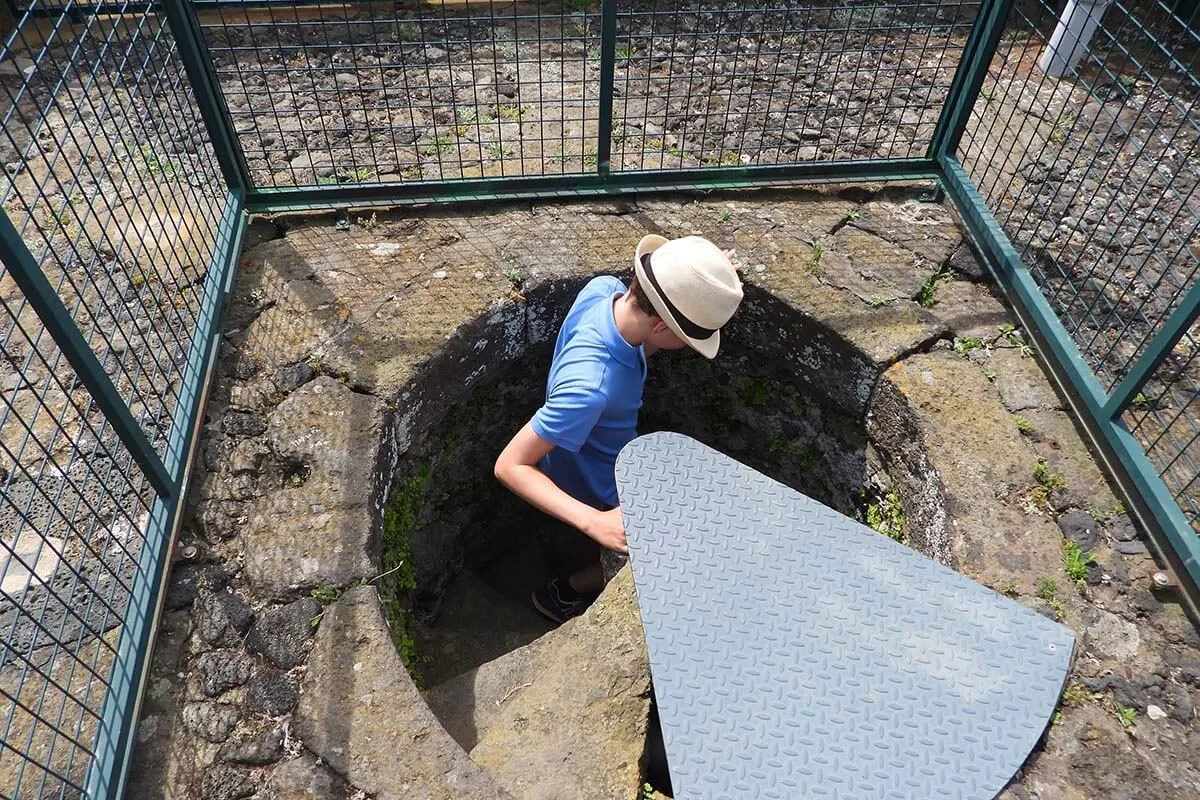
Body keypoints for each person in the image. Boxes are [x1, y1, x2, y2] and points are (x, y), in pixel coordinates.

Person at [494, 234, 744, 624]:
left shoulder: (604, 291)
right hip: (599, 489)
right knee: (662, 557)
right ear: (662, 327)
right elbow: (510, 465)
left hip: (601, 455)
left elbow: (639, 344)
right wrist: (595, 522)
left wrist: (703, 284)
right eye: (690, 337)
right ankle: (565, 592)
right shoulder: (590, 391)